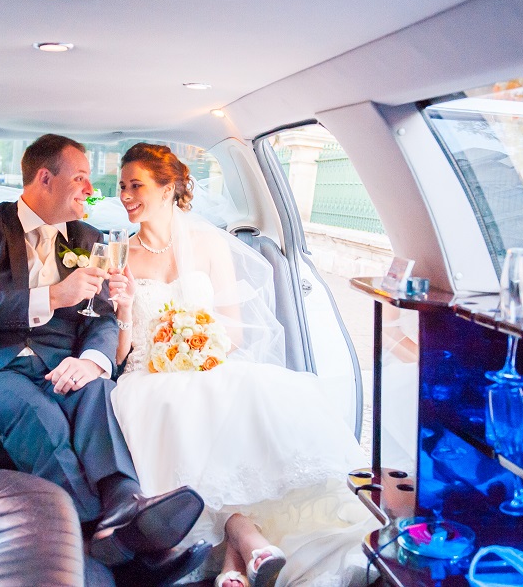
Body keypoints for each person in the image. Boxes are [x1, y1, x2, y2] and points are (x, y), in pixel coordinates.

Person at [0, 134, 207, 582]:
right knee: (37, 413)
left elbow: (100, 317)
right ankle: (104, 545)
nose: (91, 190)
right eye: (80, 178)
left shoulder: (89, 238)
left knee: (99, 390)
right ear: (46, 179)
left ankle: (126, 505)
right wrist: (53, 295)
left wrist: (94, 360)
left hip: (59, 368)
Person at [107, 143, 378, 587]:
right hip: (147, 377)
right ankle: (246, 547)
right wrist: (123, 310)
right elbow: (121, 357)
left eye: (136, 185)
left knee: (249, 395)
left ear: (168, 188)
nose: (125, 195)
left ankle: (238, 558)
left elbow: (232, 332)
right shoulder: (121, 256)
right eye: (121, 186)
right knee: (173, 407)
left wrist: (194, 349)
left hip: (208, 364)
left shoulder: (210, 244)